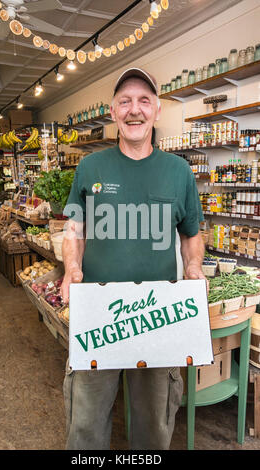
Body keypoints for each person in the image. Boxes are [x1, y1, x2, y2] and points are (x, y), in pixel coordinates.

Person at [60, 67, 206, 450]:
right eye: (125, 101)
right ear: (113, 112)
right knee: (86, 427)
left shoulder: (179, 172)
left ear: (157, 110)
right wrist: (71, 267)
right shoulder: (90, 167)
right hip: (98, 316)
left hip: (156, 317)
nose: (134, 109)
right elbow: (73, 229)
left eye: (144, 101)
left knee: (153, 430)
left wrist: (193, 267)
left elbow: (192, 235)